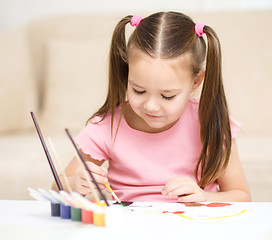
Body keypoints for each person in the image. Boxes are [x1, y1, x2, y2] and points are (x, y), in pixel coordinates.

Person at [53, 12, 250, 202]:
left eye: (167, 96)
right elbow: (57, 188)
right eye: (138, 91)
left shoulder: (210, 123)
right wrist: (76, 184)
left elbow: (241, 195)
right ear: (127, 72)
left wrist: (205, 197)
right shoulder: (107, 126)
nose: (151, 106)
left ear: (196, 82)